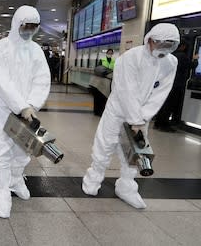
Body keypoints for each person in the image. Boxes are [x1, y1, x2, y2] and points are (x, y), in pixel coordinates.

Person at [82, 23, 180, 209]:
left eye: (169, 47)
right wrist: (135, 120)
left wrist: (142, 118)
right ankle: (93, 179)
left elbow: (161, 92)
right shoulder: (130, 57)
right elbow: (126, 89)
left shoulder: (170, 62)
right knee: (106, 143)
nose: (163, 51)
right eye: (161, 45)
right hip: (118, 110)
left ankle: (126, 187)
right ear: (150, 39)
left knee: (136, 151)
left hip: (142, 116)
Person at [0, 5, 51, 219]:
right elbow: (0, 80)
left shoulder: (36, 50)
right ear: (17, 24)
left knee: (23, 149)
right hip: (5, 110)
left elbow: (42, 79)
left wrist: (32, 104)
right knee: (3, 150)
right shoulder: (1, 48)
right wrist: (20, 105)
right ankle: (3, 190)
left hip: (28, 112)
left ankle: (16, 180)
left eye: (34, 27)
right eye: (26, 26)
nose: (29, 31)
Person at [155, 39, 198, 131]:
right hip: (176, 85)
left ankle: (158, 123)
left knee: (164, 104)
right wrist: (195, 59)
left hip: (167, 83)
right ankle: (164, 125)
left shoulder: (170, 55)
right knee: (170, 105)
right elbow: (191, 65)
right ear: (183, 47)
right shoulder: (182, 56)